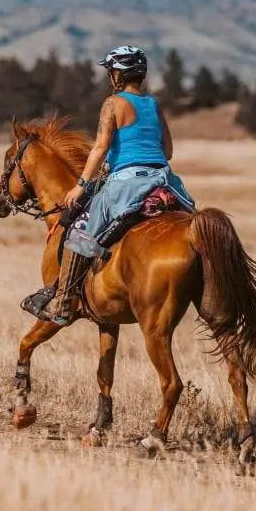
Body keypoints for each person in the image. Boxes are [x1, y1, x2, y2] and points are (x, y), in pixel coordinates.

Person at [21, 45, 195, 326]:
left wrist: (80, 185)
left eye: (110, 71)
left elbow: (100, 146)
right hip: (165, 180)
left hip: (126, 182)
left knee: (79, 233)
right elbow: (168, 150)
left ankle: (63, 303)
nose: (109, 77)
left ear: (118, 75)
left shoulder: (112, 104)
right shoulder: (153, 104)